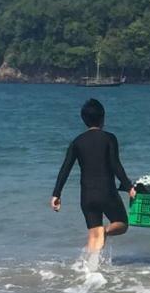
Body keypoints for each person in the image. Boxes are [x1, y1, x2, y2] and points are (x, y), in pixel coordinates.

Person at [51, 98, 136, 253]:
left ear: (84, 120)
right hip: (106, 192)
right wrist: (129, 187)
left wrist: (56, 194)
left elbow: (65, 168)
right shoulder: (109, 138)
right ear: (103, 118)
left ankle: (90, 270)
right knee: (122, 223)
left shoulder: (77, 142)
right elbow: (115, 165)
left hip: (87, 195)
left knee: (93, 235)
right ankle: (105, 232)